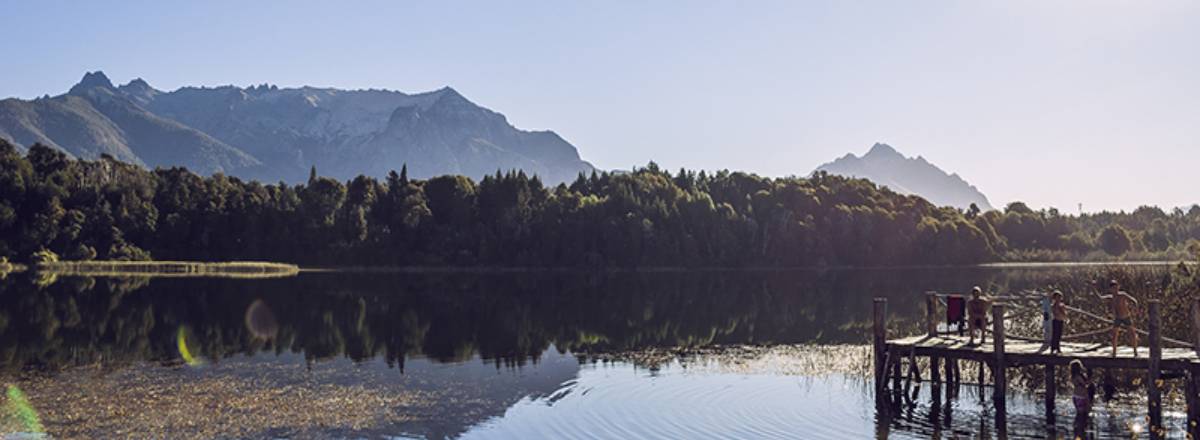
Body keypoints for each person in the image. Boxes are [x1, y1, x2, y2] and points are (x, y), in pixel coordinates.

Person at [1095, 279, 1139, 357]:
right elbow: (1100, 297)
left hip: (1126, 316)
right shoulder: (1111, 297)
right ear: (1110, 289)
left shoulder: (1122, 295)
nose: (1115, 289)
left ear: (1118, 287)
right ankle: (1114, 352)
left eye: (1116, 287)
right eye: (1113, 288)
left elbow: (1134, 300)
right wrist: (1094, 288)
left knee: (1132, 333)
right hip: (1117, 318)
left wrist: (1135, 309)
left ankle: (1135, 351)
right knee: (1114, 335)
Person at [1070, 359, 1095, 433]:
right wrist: (1090, 377)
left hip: (1075, 396)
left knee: (1080, 414)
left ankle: (1078, 429)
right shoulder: (1078, 376)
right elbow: (1085, 383)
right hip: (1081, 397)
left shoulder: (1073, 376)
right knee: (1083, 414)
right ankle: (1081, 430)